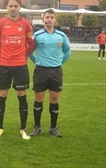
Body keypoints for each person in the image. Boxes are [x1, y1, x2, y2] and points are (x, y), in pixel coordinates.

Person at [0, 0, 34, 140]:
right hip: (4, 66)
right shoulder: (0, 23)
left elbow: (31, 43)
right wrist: (1, 55)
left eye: (16, 6)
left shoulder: (26, 24)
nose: (13, 8)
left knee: (21, 95)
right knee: (2, 95)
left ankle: (23, 129)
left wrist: (25, 56)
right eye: (10, 6)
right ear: (6, 7)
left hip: (20, 66)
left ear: (20, 7)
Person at [29, 9, 71, 138]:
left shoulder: (61, 36)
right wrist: (37, 61)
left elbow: (68, 52)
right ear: (43, 19)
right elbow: (29, 52)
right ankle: (37, 127)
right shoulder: (37, 35)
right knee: (38, 99)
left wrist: (58, 63)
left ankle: (53, 128)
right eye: (47, 17)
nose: (49, 19)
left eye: (52, 17)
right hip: (41, 71)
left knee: (54, 99)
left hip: (56, 71)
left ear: (55, 20)